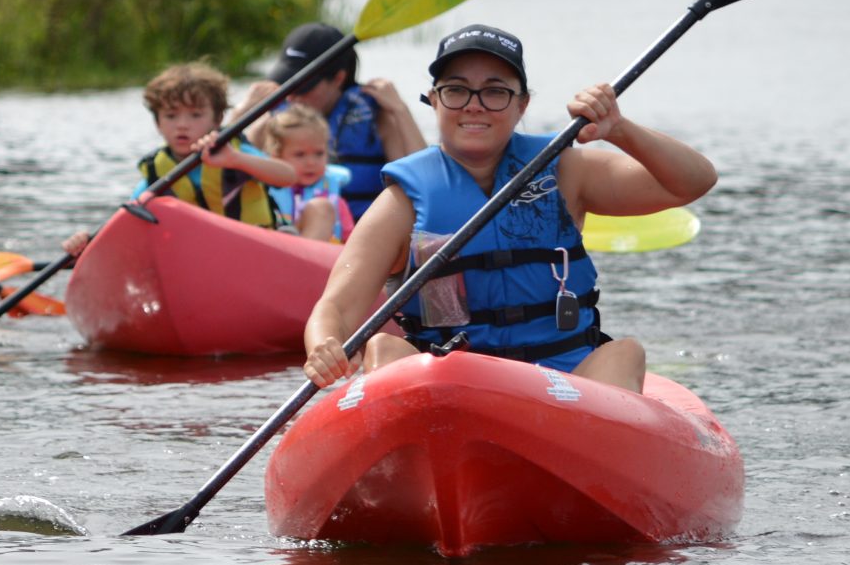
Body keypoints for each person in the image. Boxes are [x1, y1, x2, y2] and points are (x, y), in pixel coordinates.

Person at [301, 24, 716, 395]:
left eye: (496, 91)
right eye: (457, 89)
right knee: (384, 348)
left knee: (624, 354)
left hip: (565, 380)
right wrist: (323, 344)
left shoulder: (566, 169)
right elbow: (336, 307)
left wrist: (620, 129)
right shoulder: (402, 201)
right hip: (450, 381)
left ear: (522, 105)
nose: (474, 105)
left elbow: (694, 180)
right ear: (434, 100)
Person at [61, 62, 304, 257]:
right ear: (158, 124)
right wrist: (87, 241)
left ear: (217, 119)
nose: (182, 125)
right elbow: (126, 222)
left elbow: (288, 177)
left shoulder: (231, 151)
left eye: (196, 115)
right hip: (198, 258)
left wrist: (236, 160)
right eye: (171, 115)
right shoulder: (157, 172)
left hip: (255, 251)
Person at [241, 22, 423, 220]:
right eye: (286, 83)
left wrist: (401, 111)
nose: (291, 96)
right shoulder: (279, 117)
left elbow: (424, 182)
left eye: (303, 86)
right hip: (291, 230)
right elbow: (229, 169)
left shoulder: (377, 115)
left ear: (338, 78)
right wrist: (243, 111)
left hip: (358, 234)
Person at [262, 104, 353, 244]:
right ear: (276, 157)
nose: (311, 162)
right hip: (277, 251)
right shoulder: (265, 193)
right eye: (300, 155)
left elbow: (350, 241)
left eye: (319, 153)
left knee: (321, 208)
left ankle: (303, 259)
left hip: (322, 259)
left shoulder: (334, 200)